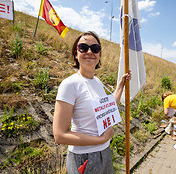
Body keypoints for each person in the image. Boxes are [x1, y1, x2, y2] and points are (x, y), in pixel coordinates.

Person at [53, 31, 131, 174]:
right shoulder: (69, 84)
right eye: (83, 47)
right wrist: (100, 140)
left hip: (105, 153)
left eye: (95, 48)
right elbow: (59, 135)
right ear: (76, 53)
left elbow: (109, 107)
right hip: (83, 158)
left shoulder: (97, 82)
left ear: (99, 55)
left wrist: (121, 85)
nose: (90, 52)